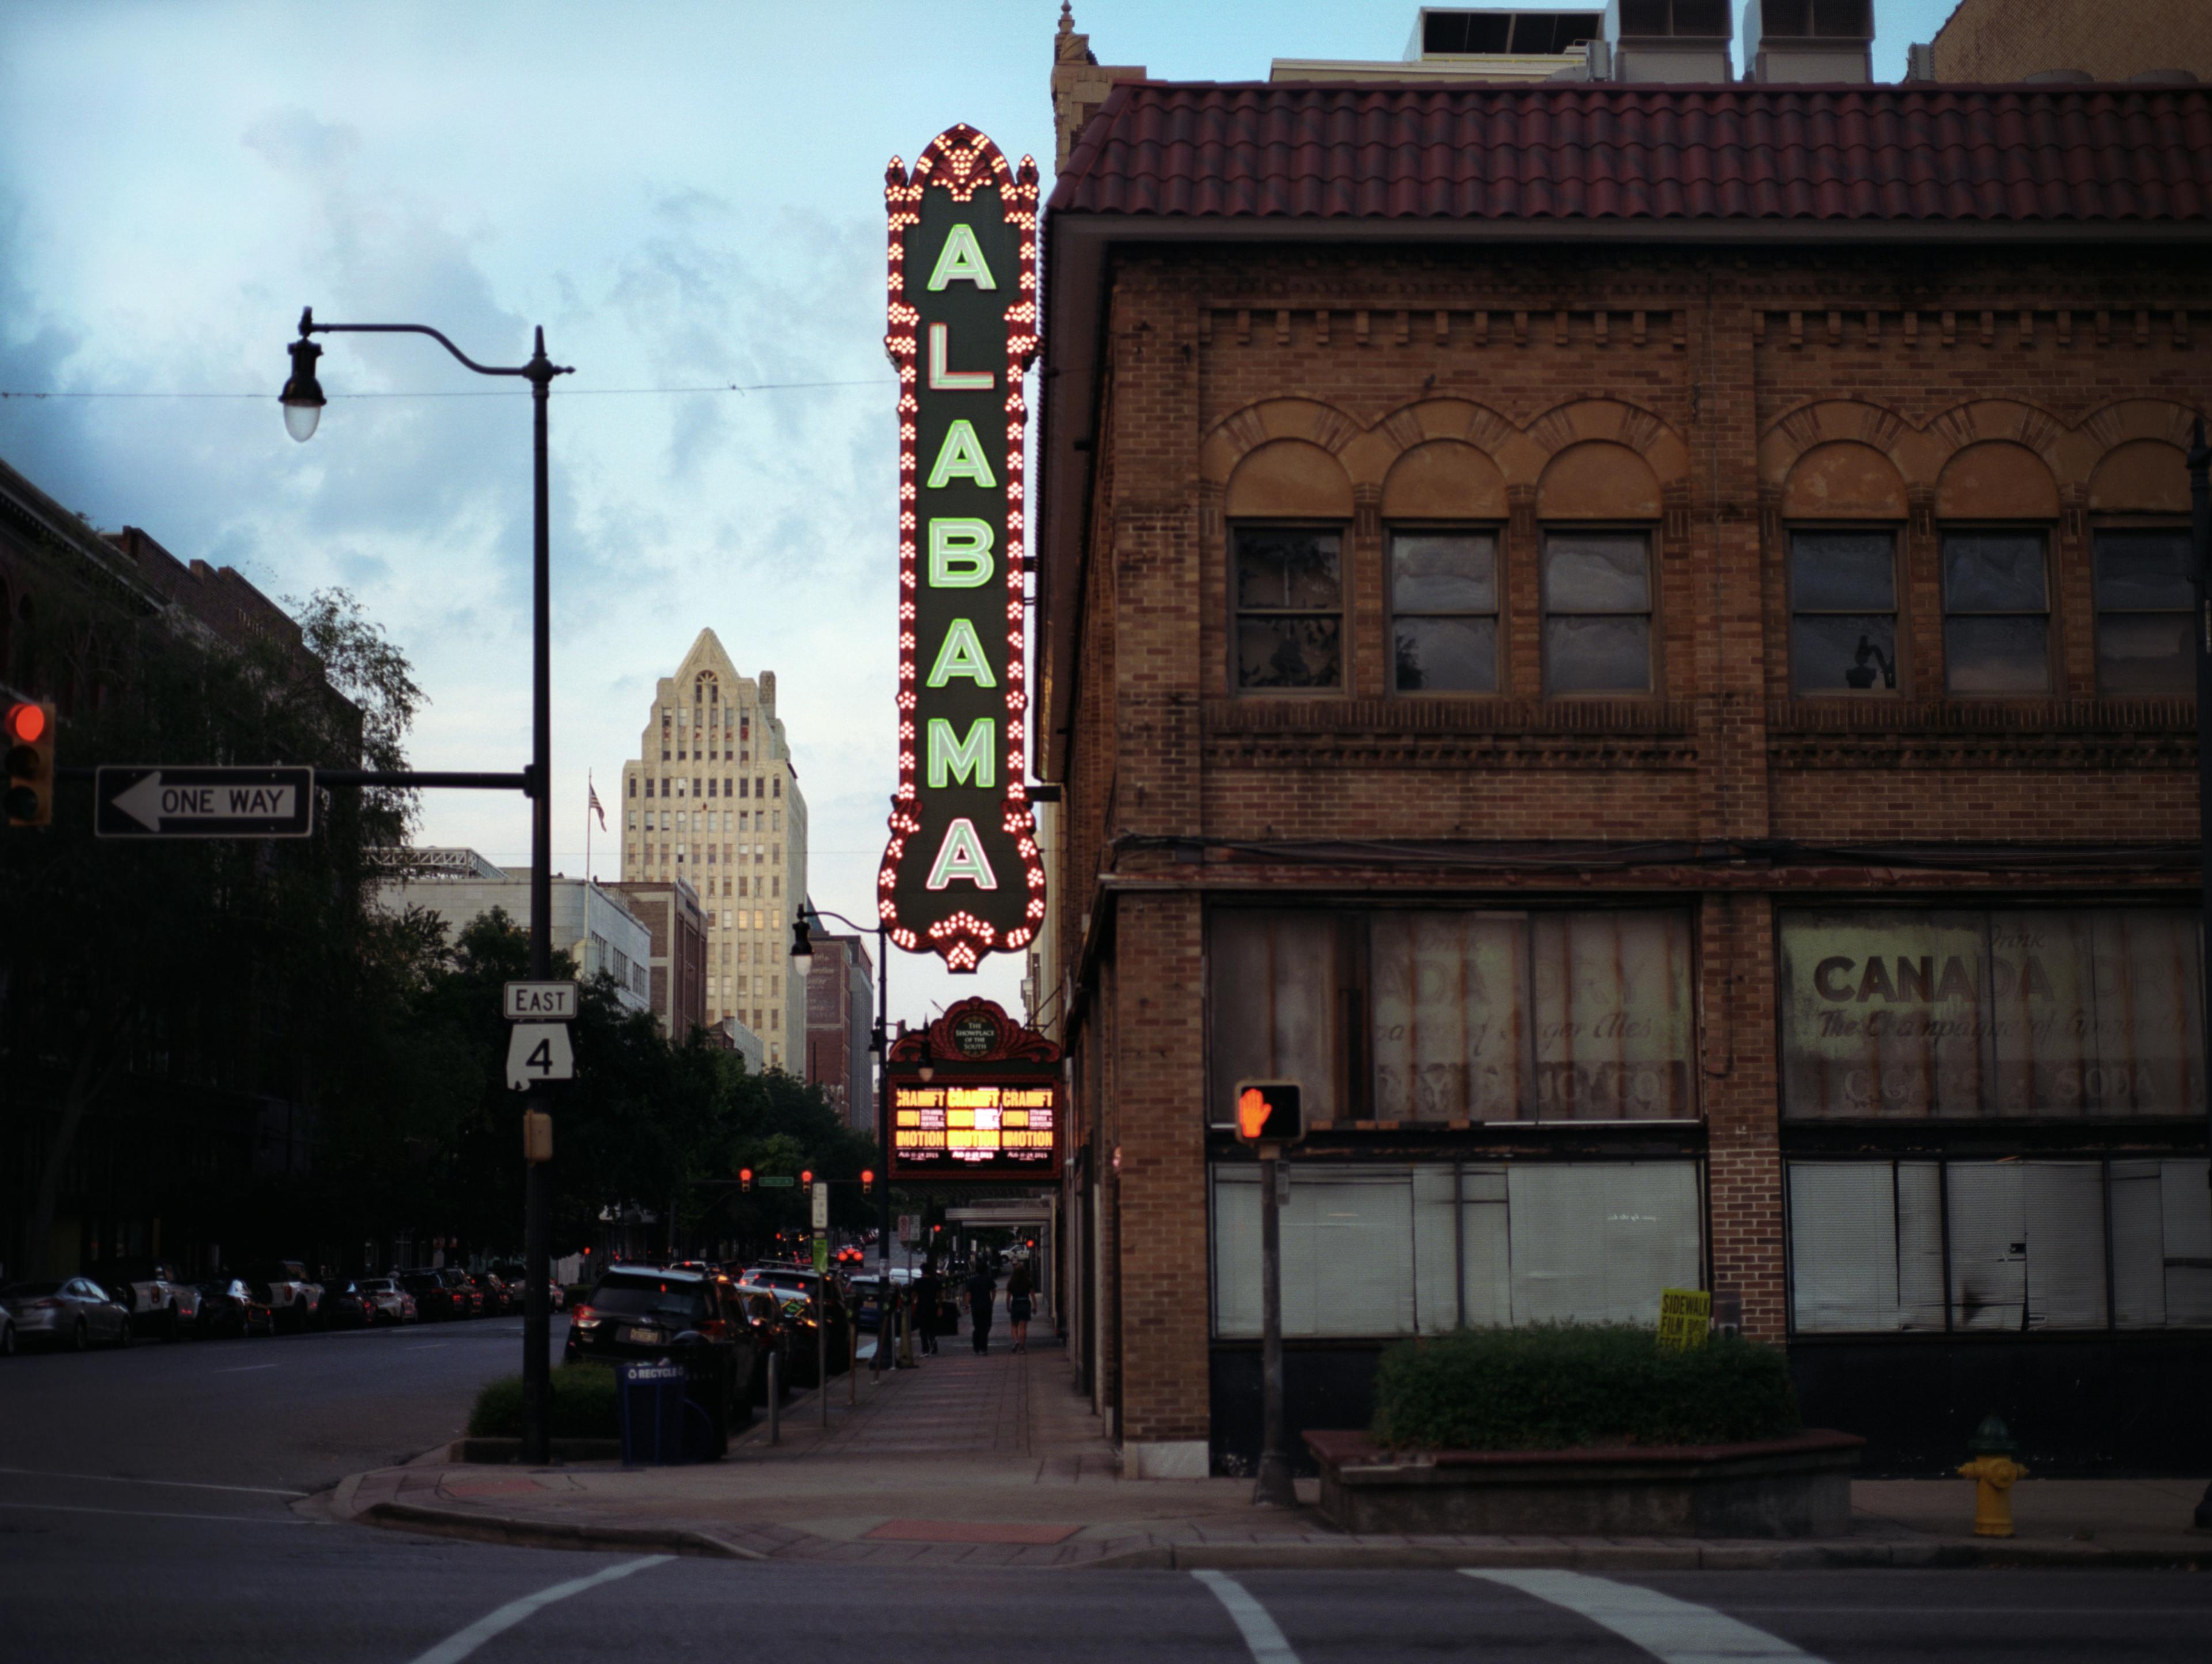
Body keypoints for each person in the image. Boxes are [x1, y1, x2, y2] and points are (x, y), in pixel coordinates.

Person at [964, 1260, 997, 1355]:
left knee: (978, 1326)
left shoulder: (972, 1281)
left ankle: (976, 1345)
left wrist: (967, 1305)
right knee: (986, 1326)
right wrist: (992, 1301)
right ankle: (983, 1348)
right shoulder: (989, 1279)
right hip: (987, 1306)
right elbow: (994, 1291)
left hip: (976, 1307)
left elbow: (968, 1294)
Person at [913, 1260, 942, 1356]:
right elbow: (939, 1296)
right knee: (932, 1328)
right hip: (932, 1306)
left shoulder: (918, 1282)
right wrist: (940, 1307)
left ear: (922, 1271)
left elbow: (914, 1295)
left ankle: (925, 1350)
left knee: (923, 1330)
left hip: (922, 1307)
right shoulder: (935, 1281)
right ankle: (934, 1347)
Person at [1005, 1262, 1033, 1353]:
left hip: (1016, 1304)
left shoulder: (1011, 1282)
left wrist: (1008, 1306)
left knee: (1014, 1325)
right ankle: (1022, 1348)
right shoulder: (1028, 1281)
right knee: (1023, 1328)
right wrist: (1035, 1306)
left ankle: (1016, 1341)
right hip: (1025, 1303)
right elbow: (1032, 1295)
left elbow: (1008, 1296)